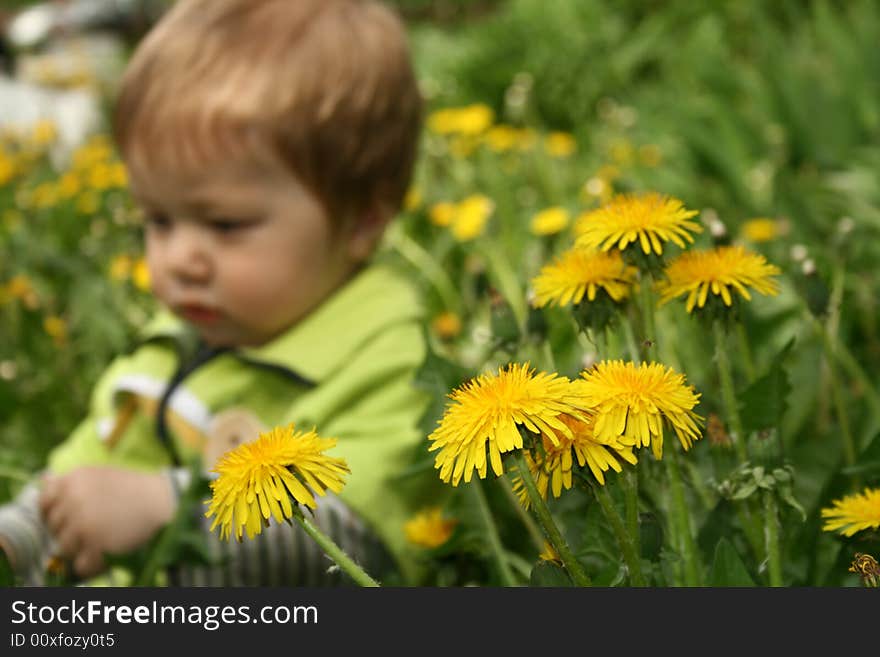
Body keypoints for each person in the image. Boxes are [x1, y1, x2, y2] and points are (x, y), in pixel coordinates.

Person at [0, 0, 440, 587]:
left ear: (362, 220)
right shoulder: (170, 350)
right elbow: (72, 490)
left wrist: (171, 511)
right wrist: (16, 539)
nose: (179, 259)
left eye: (225, 225)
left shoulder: (388, 358)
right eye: (157, 220)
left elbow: (355, 536)